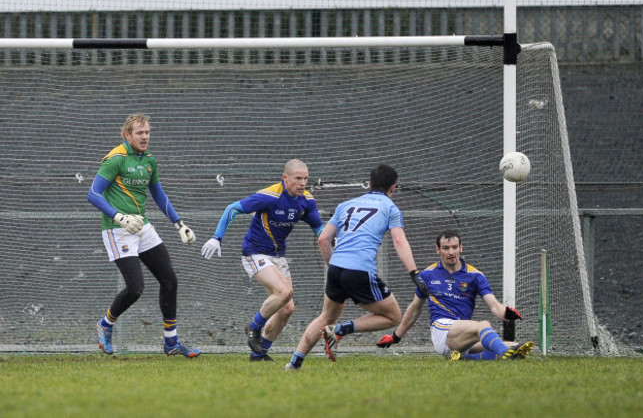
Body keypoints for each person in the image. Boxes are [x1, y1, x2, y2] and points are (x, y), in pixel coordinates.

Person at [285, 163, 427, 371]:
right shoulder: (390, 208)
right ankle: (341, 330)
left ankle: (294, 363)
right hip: (359, 270)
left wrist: (334, 268)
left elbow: (323, 239)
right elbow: (399, 241)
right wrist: (414, 272)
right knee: (393, 316)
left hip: (335, 268)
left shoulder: (346, 205)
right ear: (393, 188)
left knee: (326, 317)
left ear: (369, 184)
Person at [88, 113, 200, 358]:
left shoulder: (149, 160)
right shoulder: (115, 159)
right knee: (136, 287)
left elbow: (159, 195)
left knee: (170, 280)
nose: (145, 136)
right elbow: (93, 194)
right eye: (140, 132)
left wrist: (178, 224)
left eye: (147, 132)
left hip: (142, 226)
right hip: (117, 229)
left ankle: (171, 342)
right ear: (127, 135)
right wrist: (120, 217)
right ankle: (105, 324)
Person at [201, 159, 324, 362]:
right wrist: (217, 237)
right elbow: (232, 208)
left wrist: (331, 239)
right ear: (285, 178)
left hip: (278, 256)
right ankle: (254, 326)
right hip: (255, 253)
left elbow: (318, 228)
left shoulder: (306, 201)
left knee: (287, 309)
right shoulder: (271, 195)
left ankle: (259, 354)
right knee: (284, 292)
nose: (303, 183)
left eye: (306, 179)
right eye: (298, 178)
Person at [376, 230, 533, 360]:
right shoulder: (427, 275)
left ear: (461, 248)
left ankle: (463, 358)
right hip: (441, 330)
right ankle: (505, 355)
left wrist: (506, 313)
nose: (451, 252)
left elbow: (494, 305)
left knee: (514, 345)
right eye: (446, 248)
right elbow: (415, 308)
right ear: (438, 250)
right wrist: (396, 337)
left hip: (462, 333)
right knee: (484, 326)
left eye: (454, 247)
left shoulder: (475, 275)